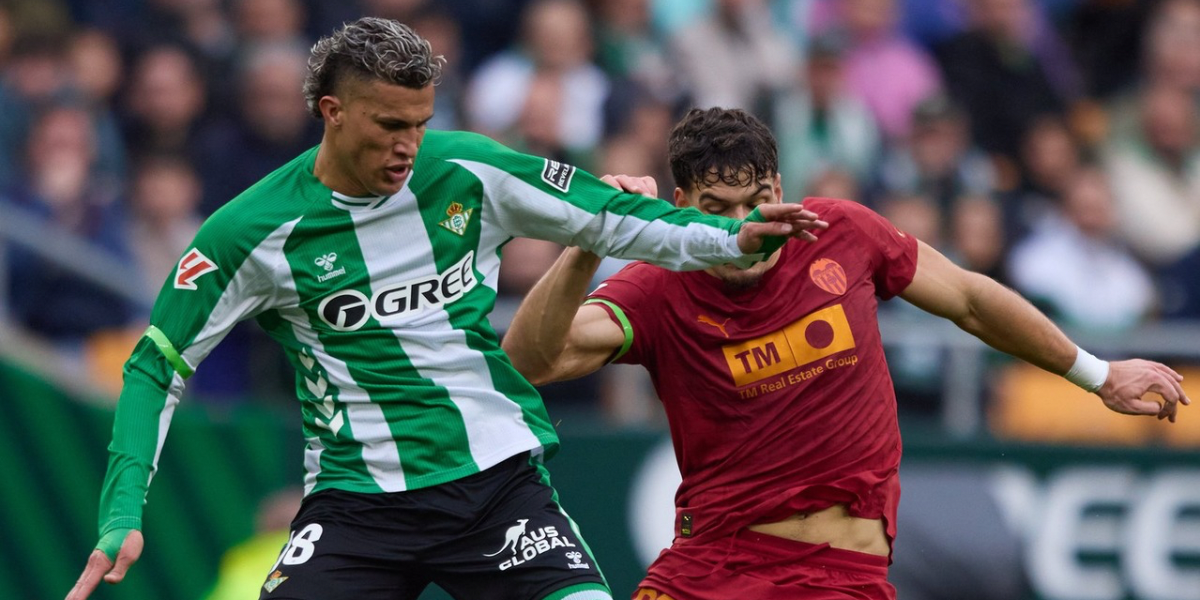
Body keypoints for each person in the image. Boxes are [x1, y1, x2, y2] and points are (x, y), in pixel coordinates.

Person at [65, 19, 819, 600]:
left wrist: (733, 235)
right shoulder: (250, 232)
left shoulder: (466, 170)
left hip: (493, 486)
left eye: (420, 123)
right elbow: (155, 363)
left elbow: (609, 214)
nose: (409, 146)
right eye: (390, 125)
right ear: (332, 112)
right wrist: (120, 509)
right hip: (356, 505)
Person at [500, 107, 1190, 600]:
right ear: (680, 203)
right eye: (715, 208)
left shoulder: (843, 233)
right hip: (712, 569)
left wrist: (1099, 374)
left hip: (843, 579)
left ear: (778, 190)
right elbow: (530, 361)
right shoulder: (655, 286)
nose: (741, 228)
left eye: (754, 202)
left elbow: (973, 301)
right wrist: (589, 240)